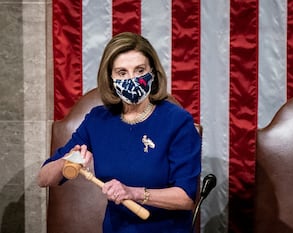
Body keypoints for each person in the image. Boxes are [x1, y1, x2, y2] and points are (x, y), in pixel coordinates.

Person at [38, 32, 202, 233]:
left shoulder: (177, 121)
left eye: (139, 70)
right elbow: (44, 178)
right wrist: (69, 160)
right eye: (122, 73)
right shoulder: (98, 120)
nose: (132, 79)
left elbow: (185, 198)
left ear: (153, 72)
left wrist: (134, 193)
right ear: (110, 78)